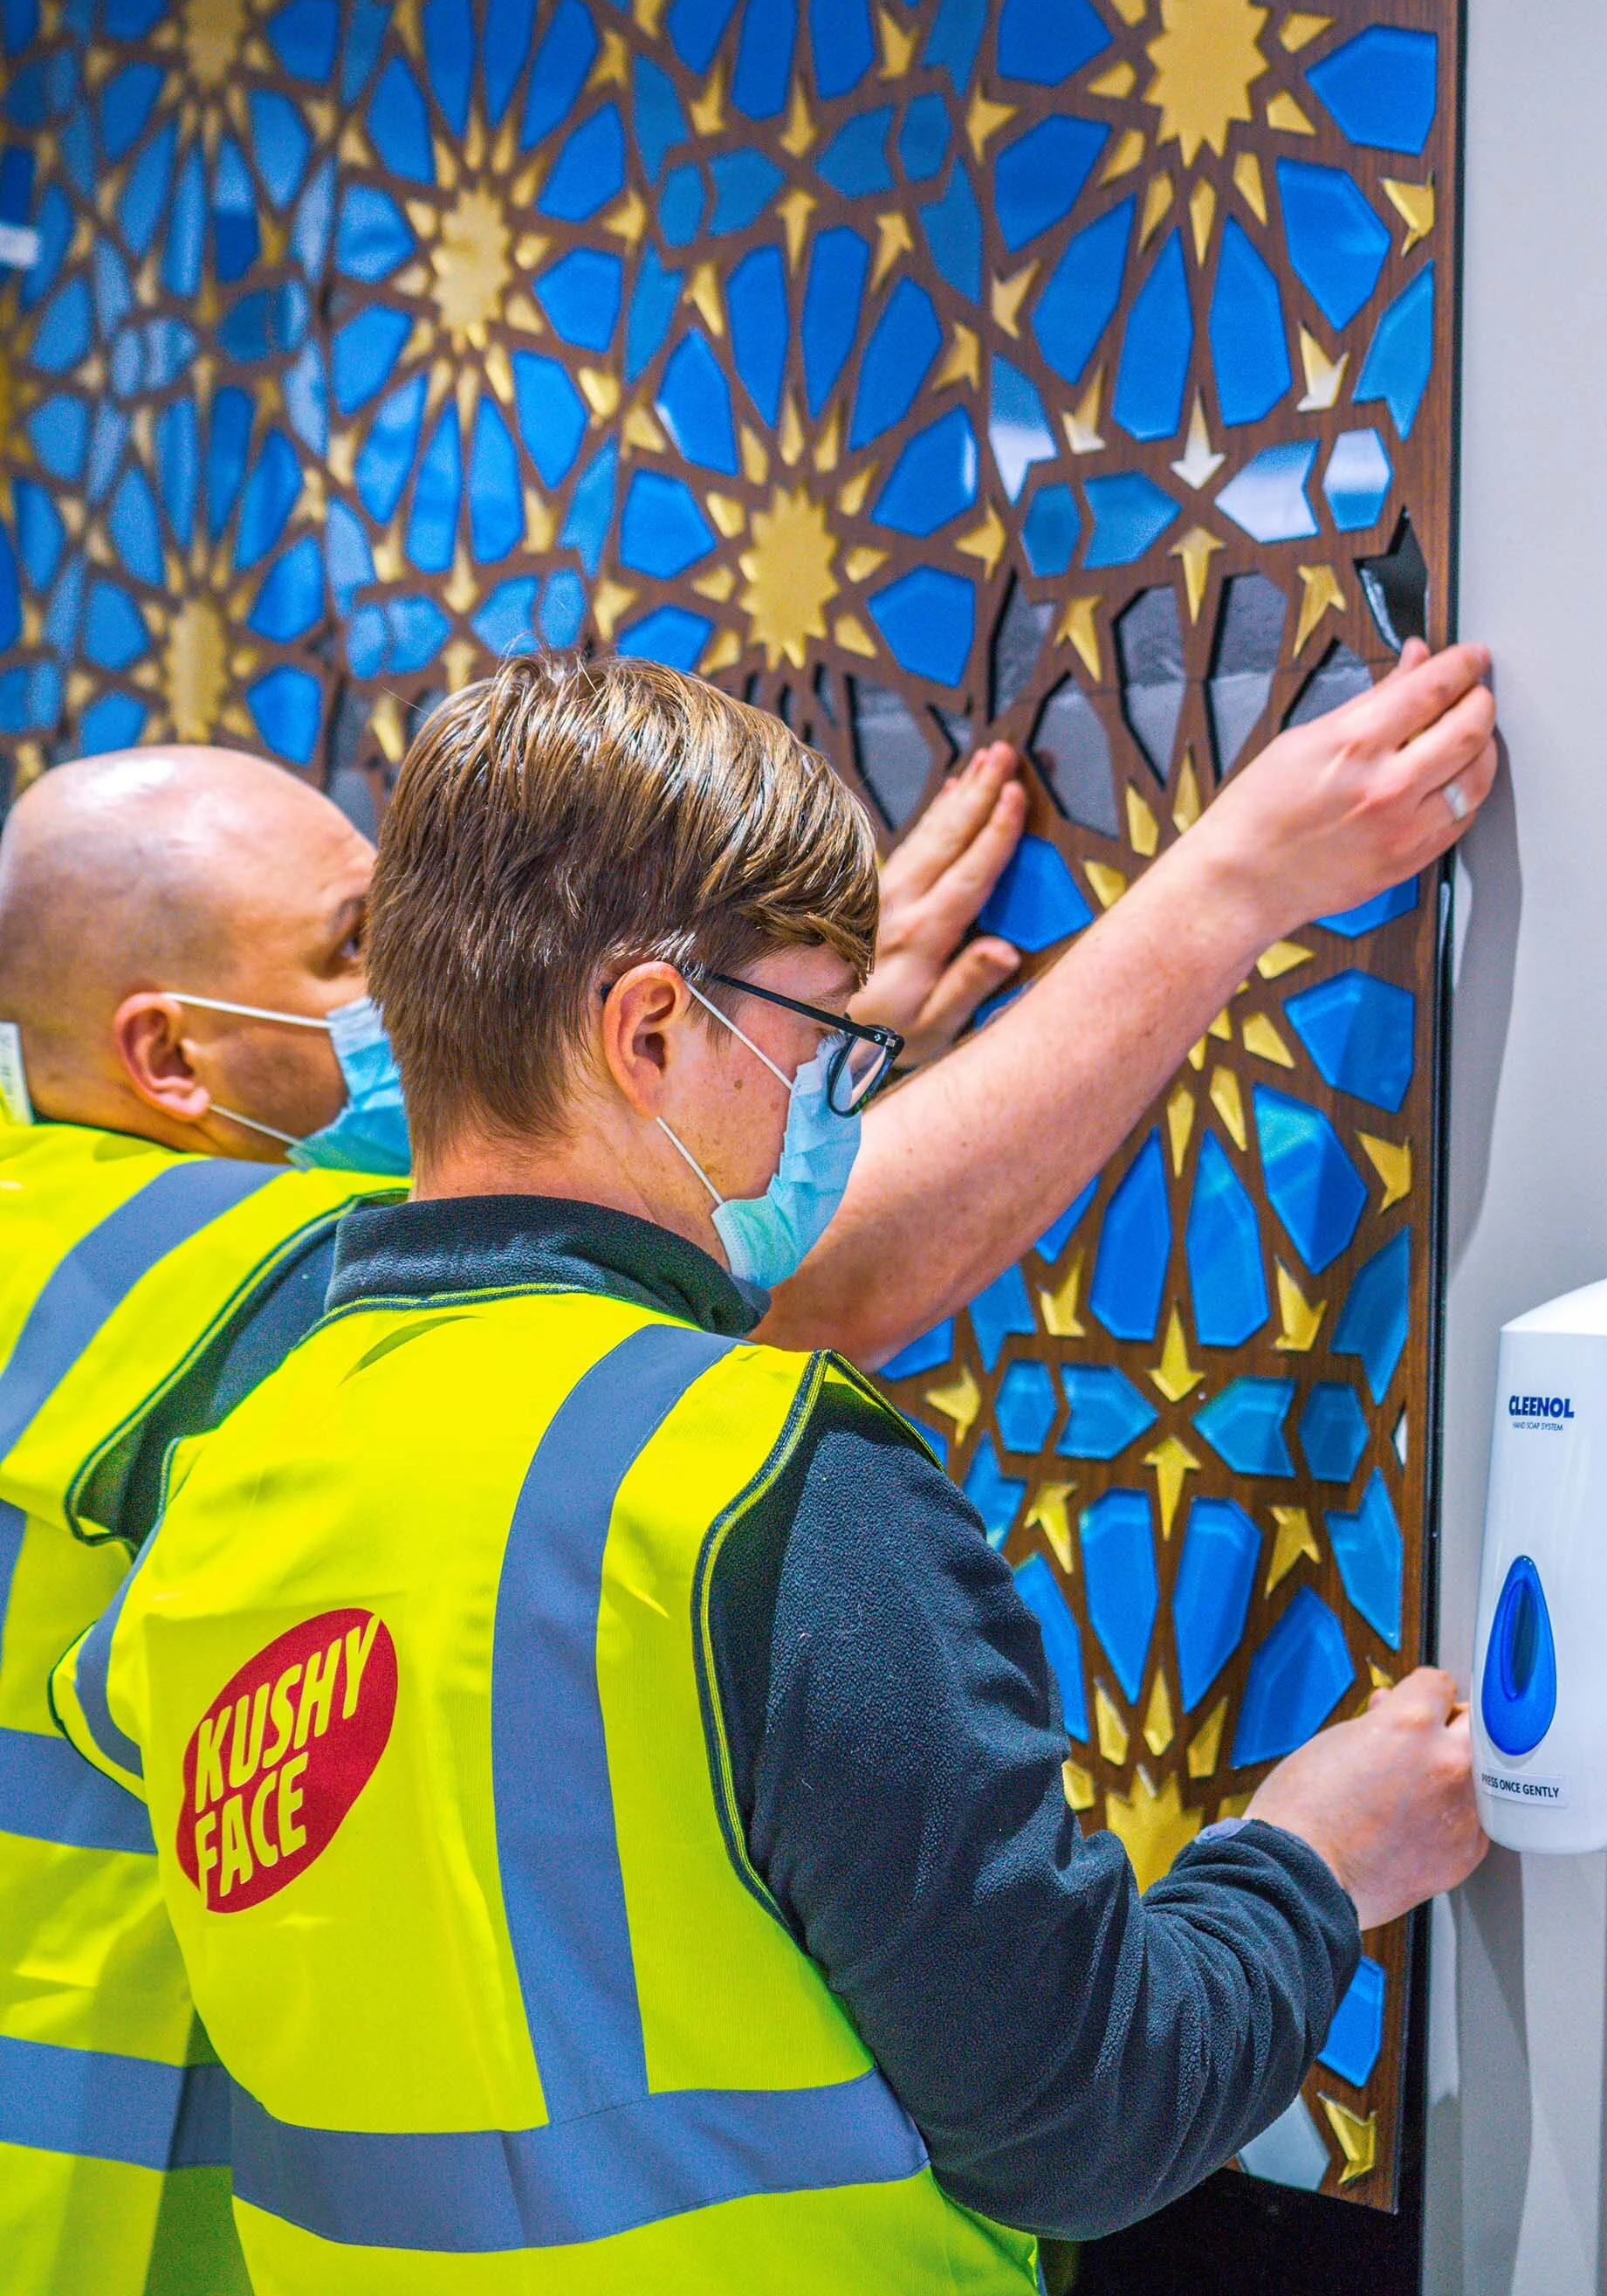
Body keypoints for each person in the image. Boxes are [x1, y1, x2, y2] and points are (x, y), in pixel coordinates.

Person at [56, 657, 1486, 2292]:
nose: (838, 1097)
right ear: (652, 1029)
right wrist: (1311, 1860)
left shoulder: (221, 1486)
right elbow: (1077, 2122)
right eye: (824, 1040)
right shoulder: (765, 1482)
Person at [0, 734, 1025, 2296]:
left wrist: (774, 1049)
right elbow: (798, 1282)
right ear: (172, 1061)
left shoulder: (41, 1205)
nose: (425, 990)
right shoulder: (214, 1271)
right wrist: (1230, 886)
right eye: (360, 944)